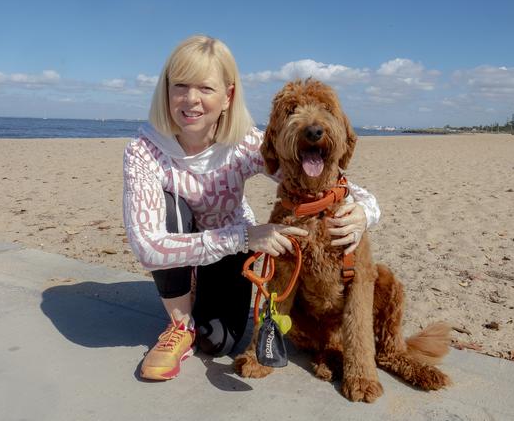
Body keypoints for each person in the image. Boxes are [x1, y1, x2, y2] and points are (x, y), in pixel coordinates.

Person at [122, 35, 380, 381]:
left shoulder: (243, 145)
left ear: (227, 96)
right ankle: (180, 323)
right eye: (180, 86)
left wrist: (365, 211)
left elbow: (321, 182)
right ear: (166, 90)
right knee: (172, 210)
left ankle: (200, 291)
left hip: (230, 251)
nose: (191, 99)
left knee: (218, 342)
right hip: (218, 241)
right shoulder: (143, 151)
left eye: (206, 89)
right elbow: (147, 246)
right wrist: (245, 236)